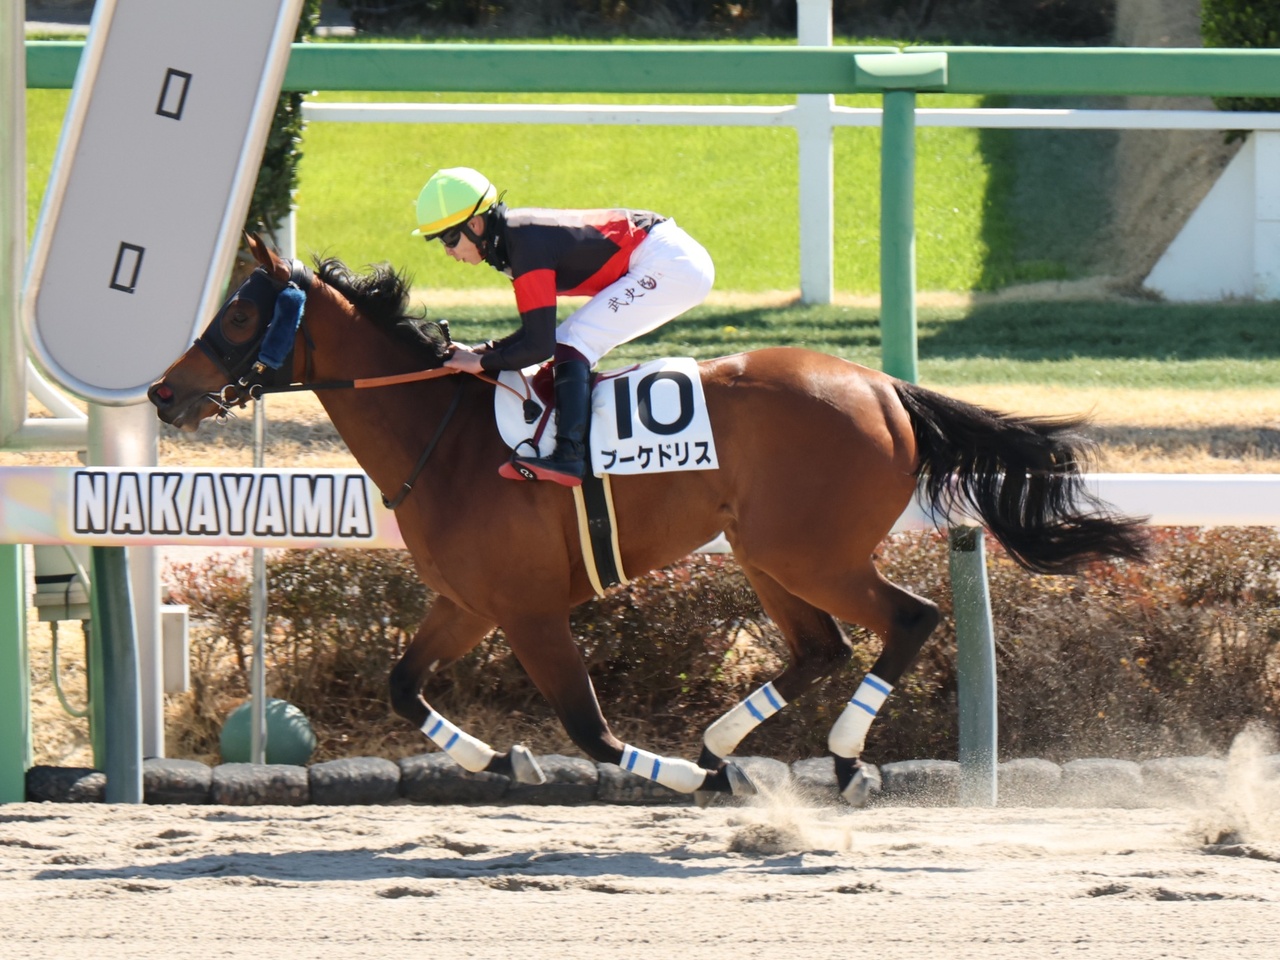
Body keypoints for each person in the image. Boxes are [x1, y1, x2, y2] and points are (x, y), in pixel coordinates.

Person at [413, 166, 715, 488]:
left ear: (475, 225)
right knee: (569, 339)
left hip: (671, 264)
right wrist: (482, 352)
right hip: (666, 257)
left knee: (574, 341)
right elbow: (536, 334)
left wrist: (481, 362)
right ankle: (569, 450)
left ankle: (569, 456)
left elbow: (539, 346)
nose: (447, 251)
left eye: (449, 238)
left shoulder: (523, 245)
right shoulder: (511, 241)